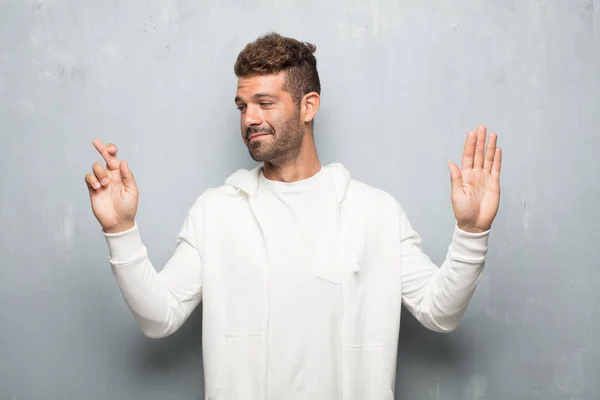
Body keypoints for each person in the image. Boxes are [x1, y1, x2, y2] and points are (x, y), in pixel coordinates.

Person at [85, 32, 502, 400]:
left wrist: (471, 232)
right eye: (242, 105)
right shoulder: (216, 212)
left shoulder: (374, 213)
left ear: (308, 106)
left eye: (264, 102)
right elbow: (160, 318)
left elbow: (440, 311)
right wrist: (120, 230)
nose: (250, 118)